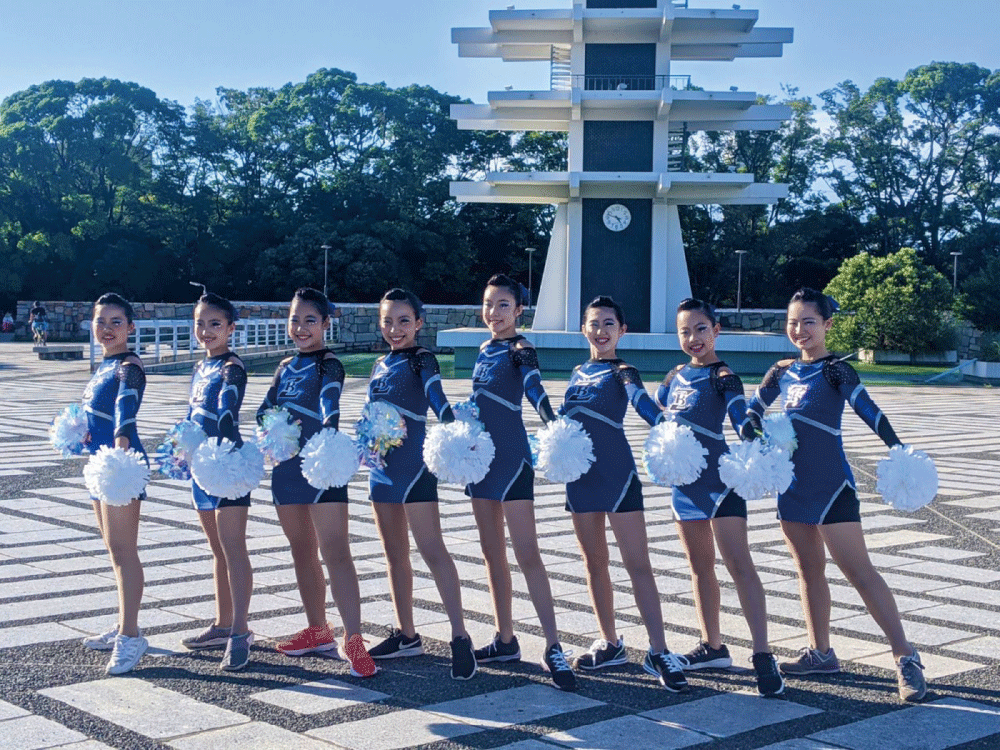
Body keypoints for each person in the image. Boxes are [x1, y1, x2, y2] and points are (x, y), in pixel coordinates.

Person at [747, 287, 927, 703]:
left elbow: (870, 411)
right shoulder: (781, 371)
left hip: (832, 488)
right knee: (808, 570)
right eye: (793, 322)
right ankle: (821, 652)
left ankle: (905, 655)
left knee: (860, 572)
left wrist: (897, 447)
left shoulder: (836, 371)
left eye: (808, 322)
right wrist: (754, 432)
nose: (799, 330)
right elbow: (752, 409)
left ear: (827, 324)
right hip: (791, 486)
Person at [655, 298, 783, 696]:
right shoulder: (674, 375)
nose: (693, 338)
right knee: (699, 569)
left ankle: (762, 654)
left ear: (716, 330)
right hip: (684, 485)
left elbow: (738, 414)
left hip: (720, 483)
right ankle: (712, 646)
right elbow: (660, 407)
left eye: (700, 329)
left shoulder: (724, 375)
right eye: (684, 331)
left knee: (739, 565)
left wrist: (752, 432)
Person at [560, 296, 687, 692]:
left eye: (608, 324)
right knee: (594, 562)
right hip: (580, 478)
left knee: (638, 564)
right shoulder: (577, 372)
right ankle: (610, 641)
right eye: (594, 323)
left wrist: (663, 425)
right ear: (584, 328)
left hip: (617, 476)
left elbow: (641, 402)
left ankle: (659, 649)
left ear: (622, 331)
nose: (600, 331)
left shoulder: (624, 371)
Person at [257, 288, 376, 678]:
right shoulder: (285, 366)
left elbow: (330, 402)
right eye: (295, 319)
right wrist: (271, 430)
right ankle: (317, 629)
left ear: (326, 323)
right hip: (286, 471)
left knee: (336, 551)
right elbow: (264, 409)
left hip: (321, 466)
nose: (301, 328)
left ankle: (354, 638)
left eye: (310, 320)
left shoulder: (330, 364)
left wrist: (327, 432)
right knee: (301, 550)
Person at [466, 274, 575, 690]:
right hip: (481, 462)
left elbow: (534, 388)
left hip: (512, 461)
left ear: (519, 311)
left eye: (503, 306)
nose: (494, 313)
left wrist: (552, 423)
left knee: (527, 554)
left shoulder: (520, 348)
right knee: (492, 554)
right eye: (489, 304)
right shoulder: (483, 348)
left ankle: (553, 645)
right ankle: (505, 639)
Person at [365, 288, 477, 680]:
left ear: (418, 323)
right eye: (388, 321)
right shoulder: (379, 364)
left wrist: (451, 424)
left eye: (403, 321)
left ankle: (460, 636)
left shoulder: (422, 358)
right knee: (394, 554)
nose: (395, 329)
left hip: (414, 468)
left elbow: (434, 394)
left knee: (433, 550)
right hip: (380, 468)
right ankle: (406, 633)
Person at [179, 293, 255, 672]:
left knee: (233, 548)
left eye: (214, 324)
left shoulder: (232, 367)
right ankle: (223, 623)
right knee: (216, 550)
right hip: (200, 468)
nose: (206, 331)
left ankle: (240, 632)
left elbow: (228, 407)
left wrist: (220, 441)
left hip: (227, 465)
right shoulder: (199, 367)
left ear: (230, 329)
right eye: (200, 323)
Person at [79, 293, 148, 675]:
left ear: (131, 327)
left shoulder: (129, 364)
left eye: (116, 322)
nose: (106, 329)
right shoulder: (102, 365)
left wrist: (120, 441)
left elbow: (126, 404)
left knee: (124, 550)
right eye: (101, 321)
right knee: (114, 550)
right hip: (100, 465)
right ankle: (124, 623)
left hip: (120, 464)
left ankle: (132, 636)